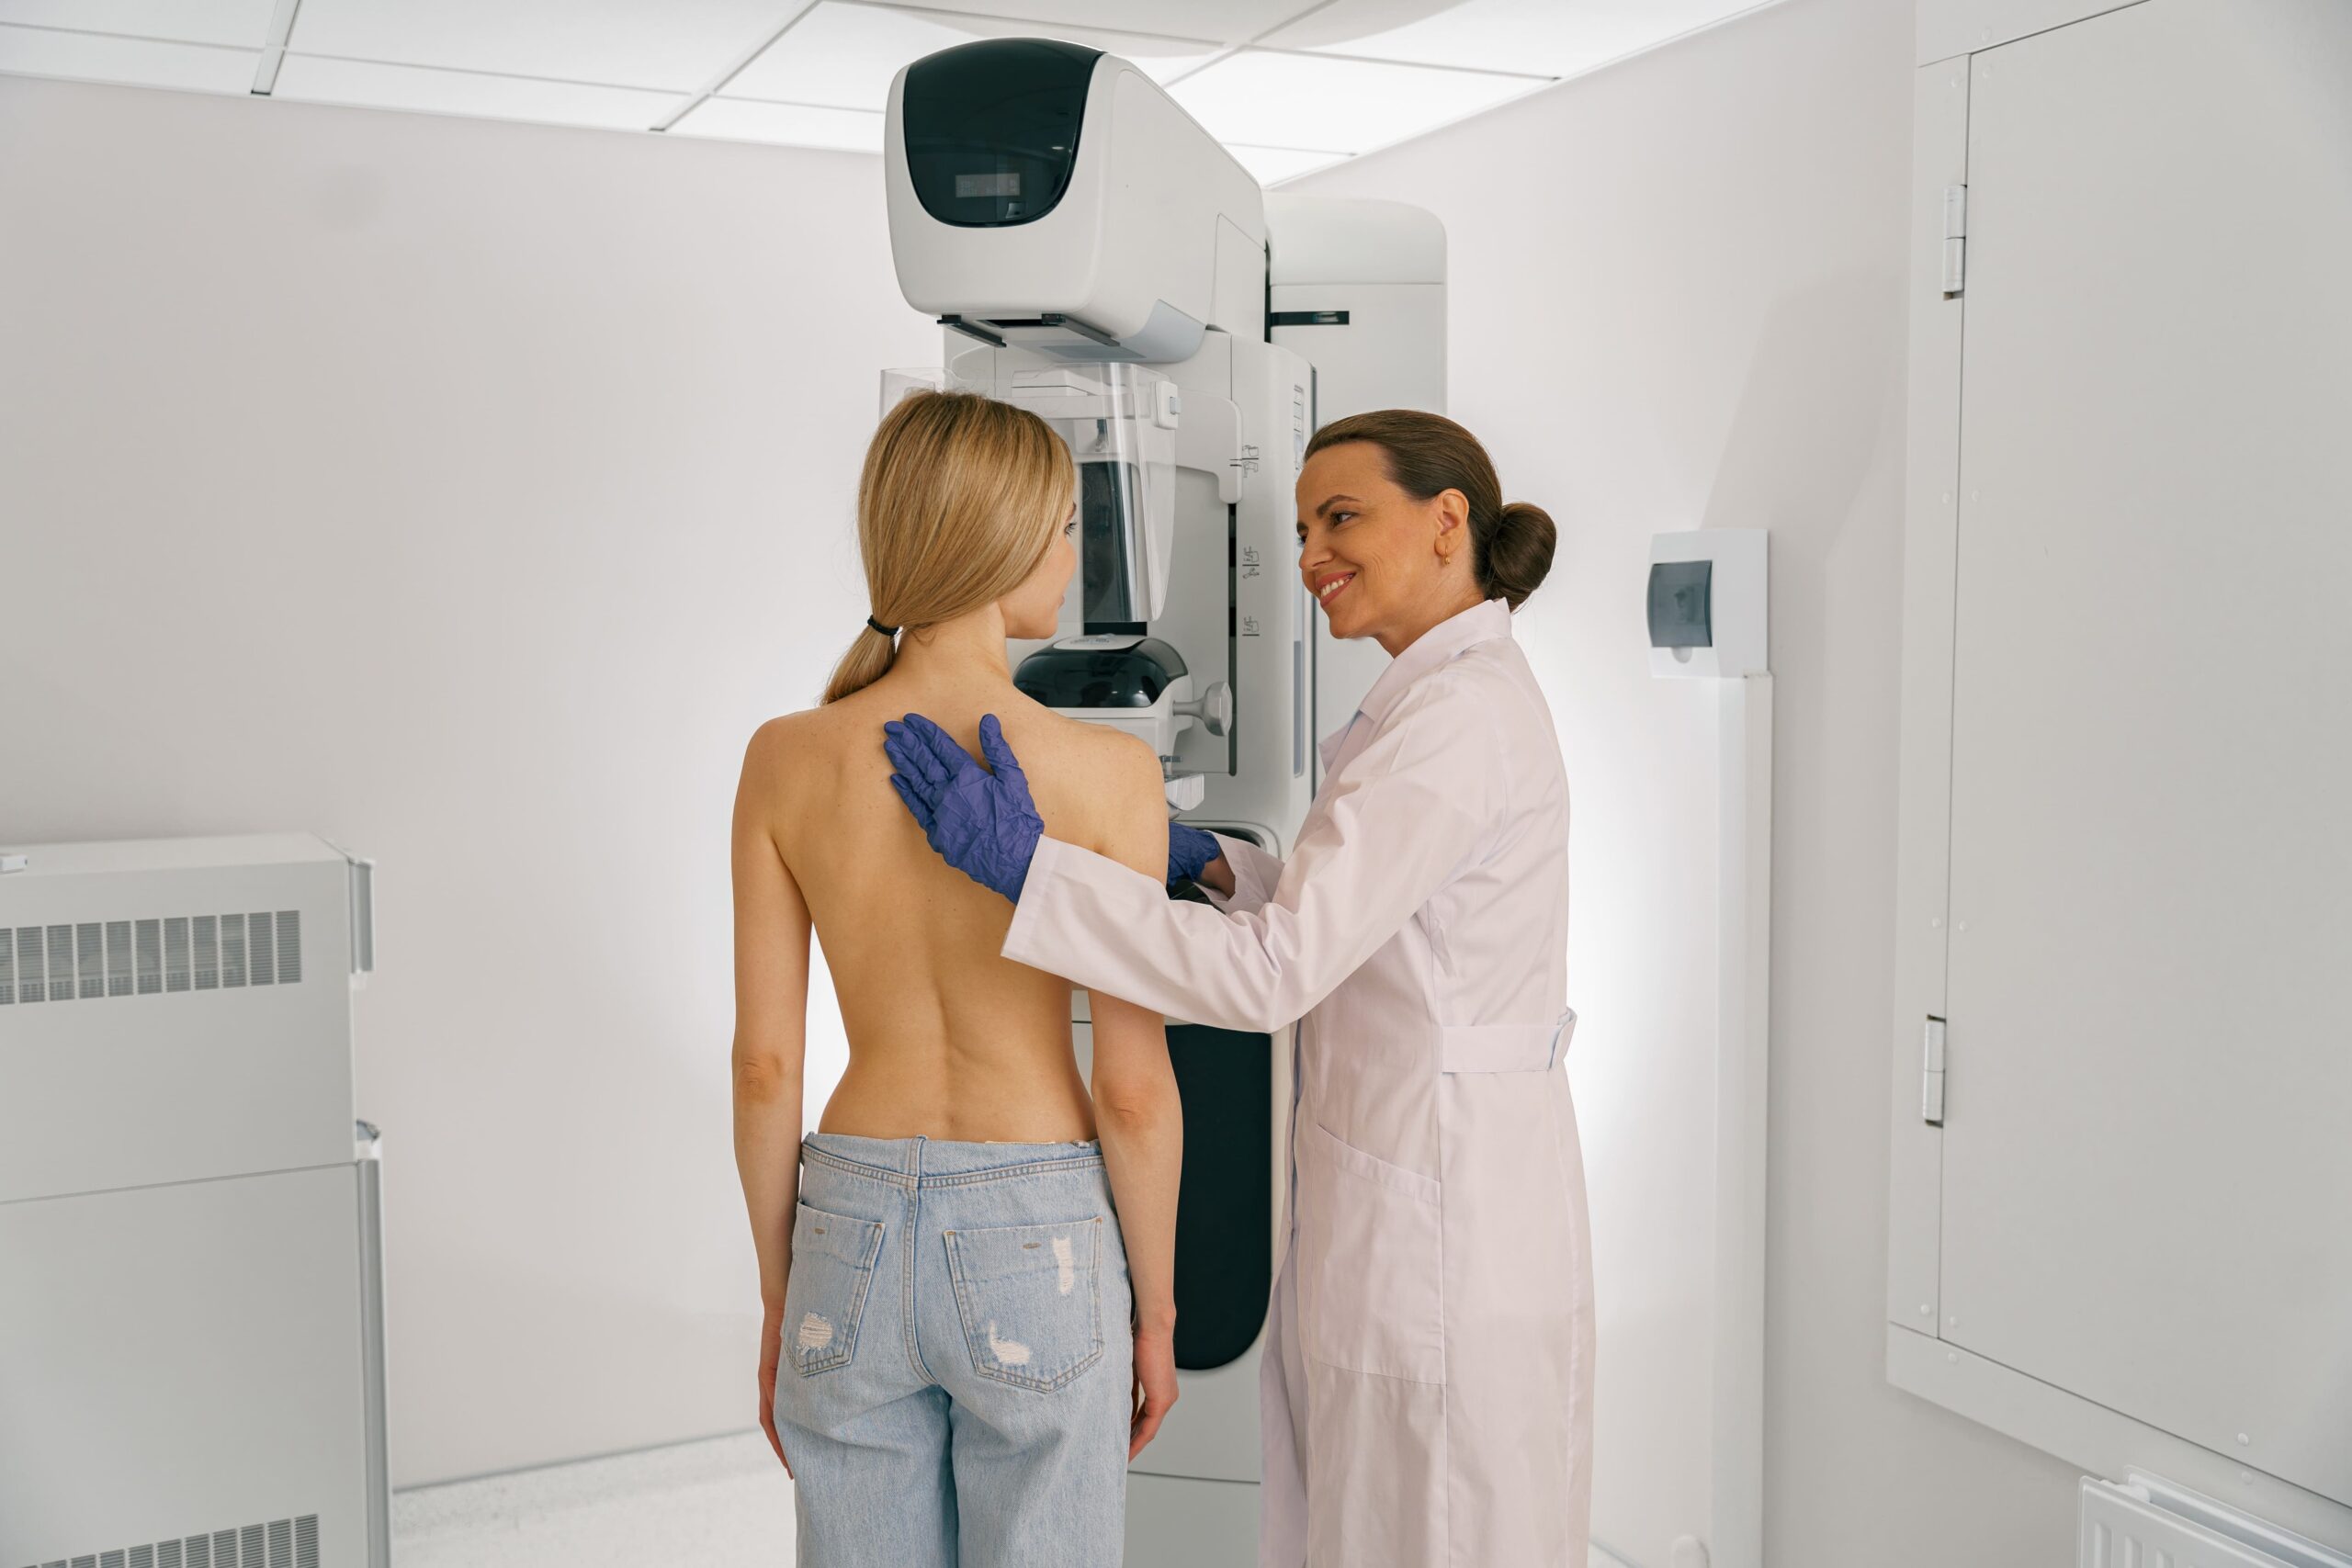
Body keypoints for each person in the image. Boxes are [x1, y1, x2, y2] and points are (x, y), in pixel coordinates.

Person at [885, 409, 1594, 1567]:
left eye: (1341, 518)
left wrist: (1035, 877)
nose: (1311, 554)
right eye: (1305, 525)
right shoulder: (1433, 705)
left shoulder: (1459, 720)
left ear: (1445, 522)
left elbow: (1278, 975)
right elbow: (1371, 928)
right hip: (1415, 1182)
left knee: (1435, 1528)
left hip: (1448, 1218)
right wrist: (1210, 862)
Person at [730, 389, 1182, 1568]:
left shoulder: (787, 757)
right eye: (1067, 527)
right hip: (1038, 1219)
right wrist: (1161, 1311)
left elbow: (766, 1064)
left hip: (850, 1221)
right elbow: (1133, 1092)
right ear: (1005, 539)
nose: (1073, 555)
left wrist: (784, 1295)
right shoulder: (1108, 774)